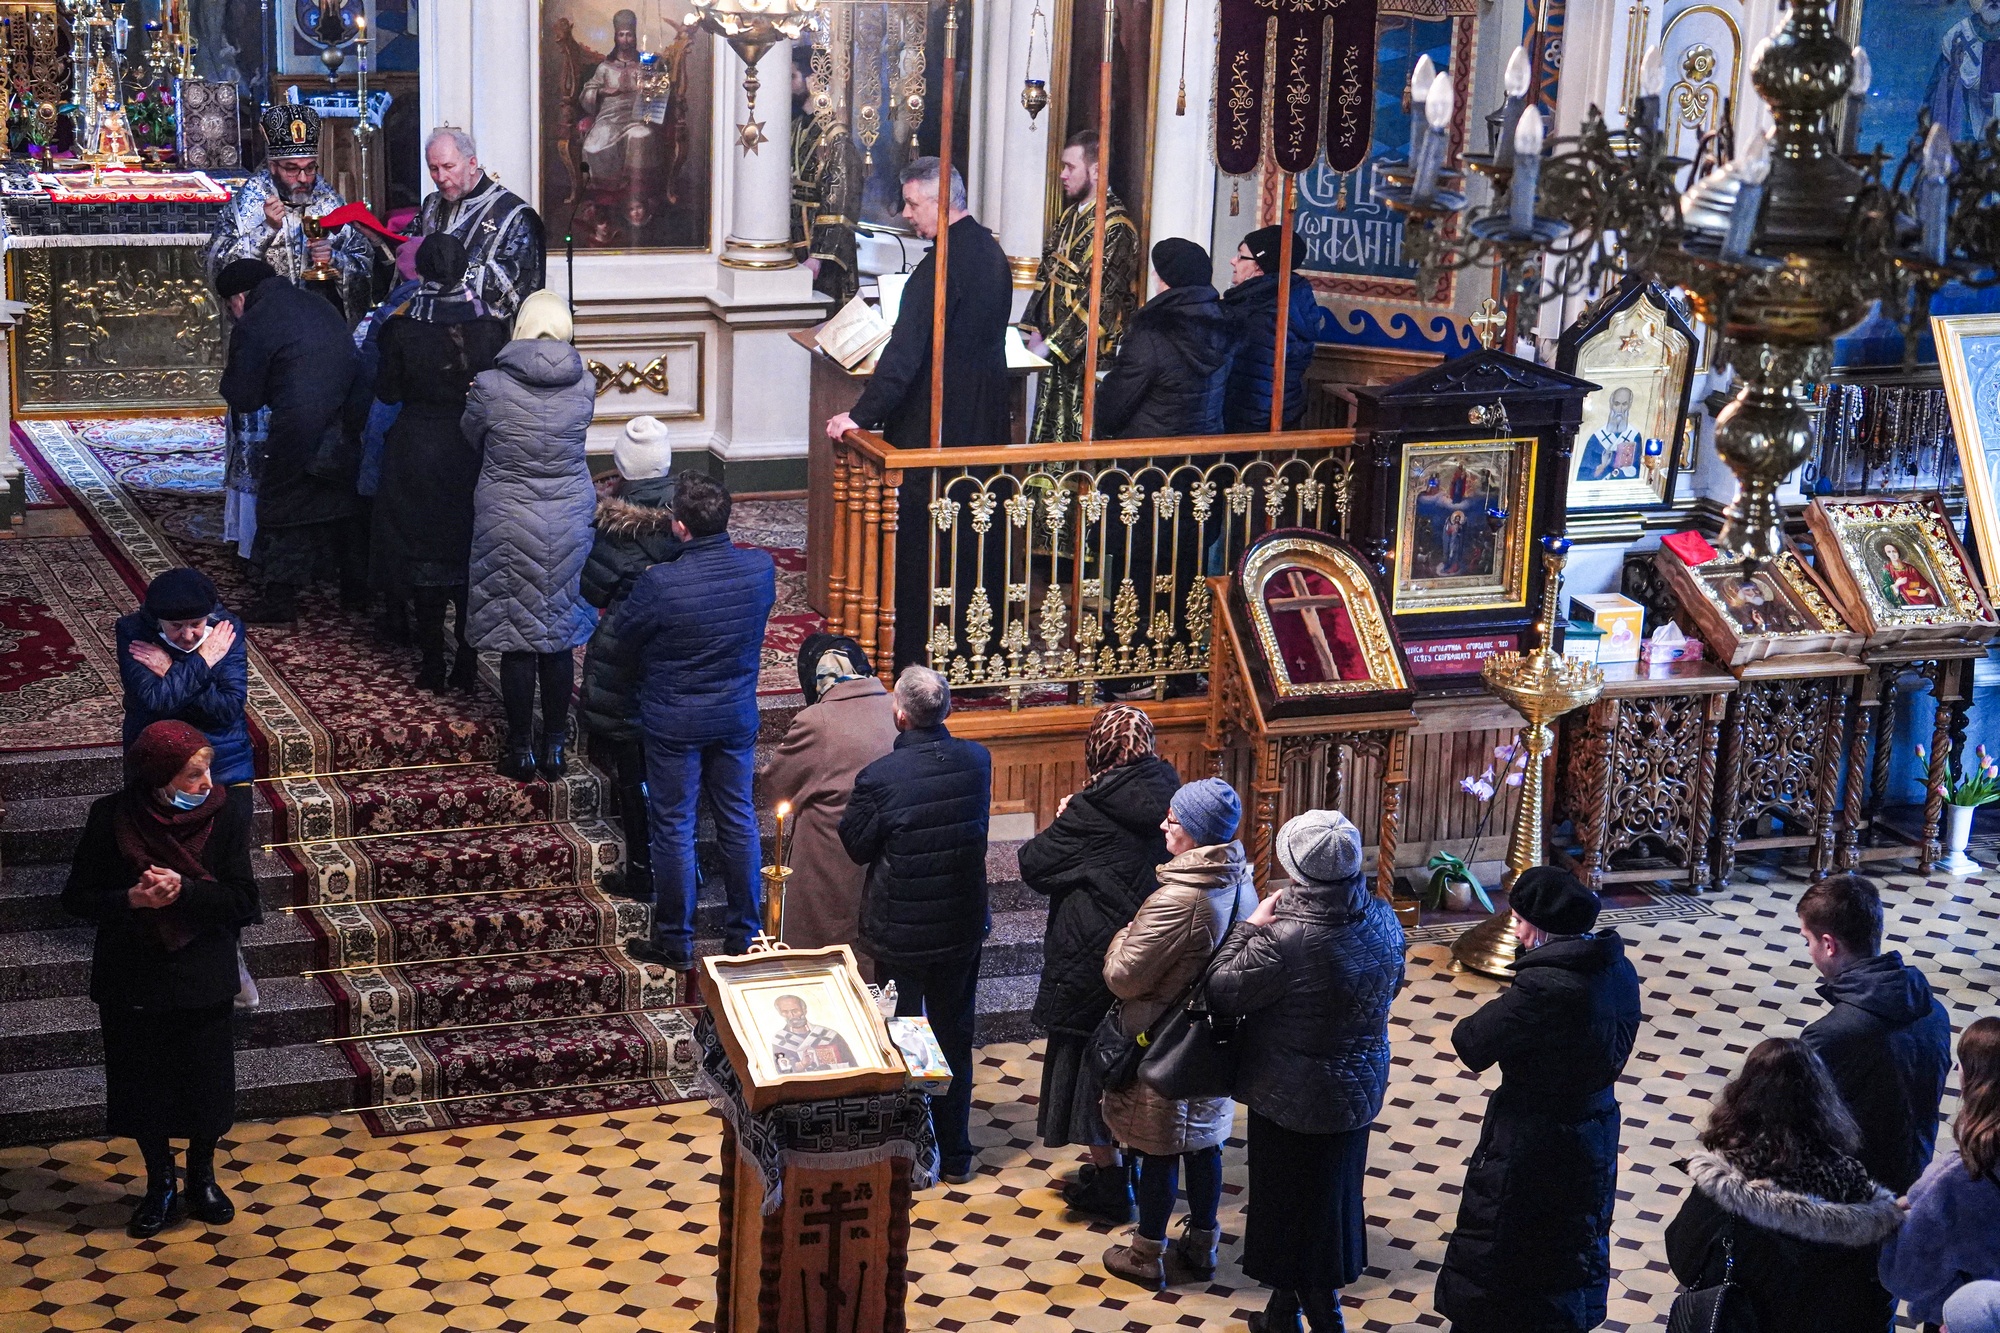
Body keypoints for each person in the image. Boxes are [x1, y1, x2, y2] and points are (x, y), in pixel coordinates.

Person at [1208, 811, 1406, 1332]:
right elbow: (1393, 985)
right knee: (1332, 1201)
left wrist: (1248, 929)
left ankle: (1324, 1316)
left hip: (1289, 1095)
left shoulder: (1286, 938)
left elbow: (1222, 989)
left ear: (1295, 869)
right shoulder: (1384, 917)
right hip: (1358, 1088)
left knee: (1292, 1210)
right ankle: (1282, 1313)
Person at [62, 721, 260, 1239]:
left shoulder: (230, 813)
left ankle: (202, 1177)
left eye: (208, 770)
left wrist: (186, 892)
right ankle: (158, 1184)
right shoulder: (111, 816)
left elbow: (244, 901)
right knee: (143, 1086)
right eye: (194, 774)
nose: (207, 782)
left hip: (201, 971)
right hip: (134, 974)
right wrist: (133, 899)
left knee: (205, 1084)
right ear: (159, 774)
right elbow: (77, 898)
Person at [1433, 867, 1644, 1333]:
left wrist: (1522, 982)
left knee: (1506, 1255)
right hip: (1596, 1128)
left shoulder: (1545, 987)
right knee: (1571, 1246)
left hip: (1533, 1139)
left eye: (1519, 919)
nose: (1516, 929)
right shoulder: (1616, 967)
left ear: (1540, 925)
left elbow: (1471, 1042)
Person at [1014, 704, 1181, 1223]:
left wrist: (1065, 817)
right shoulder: (1174, 796)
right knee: (1133, 1061)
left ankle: (1110, 1179)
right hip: (1150, 949)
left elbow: (1034, 865)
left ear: (1097, 749)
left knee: (1088, 1063)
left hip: (1091, 953)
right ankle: (1130, 1165)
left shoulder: (1090, 807)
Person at [1096, 777, 1257, 1290]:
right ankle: (1203, 1244)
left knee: (1161, 1146)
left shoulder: (1180, 899)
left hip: (1165, 1041)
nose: (1165, 824)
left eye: (1175, 820)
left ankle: (1146, 1255)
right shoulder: (1241, 881)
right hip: (1215, 1037)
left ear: (1198, 836)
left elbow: (1123, 975)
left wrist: (1122, 933)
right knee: (1206, 1144)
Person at [839, 666, 993, 1185]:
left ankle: (912, 1148)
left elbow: (857, 845)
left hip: (901, 929)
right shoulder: (977, 761)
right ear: (946, 710)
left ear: (899, 714)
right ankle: (956, 1153)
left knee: (907, 1031)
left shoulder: (880, 777)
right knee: (955, 1031)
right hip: (960, 923)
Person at [618, 473, 775, 969]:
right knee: (738, 818)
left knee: (674, 827)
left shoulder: (661, 583)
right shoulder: (760, 568)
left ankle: (677, 943)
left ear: (679, 527)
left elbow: (624, 637)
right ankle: (745, 934)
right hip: (733, 714)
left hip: (674, 721)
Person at [1665, 1038, 1905, 1333]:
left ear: (1745, 1095)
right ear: (1823, 1101)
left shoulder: (1729, 1181)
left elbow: (1685, 1260)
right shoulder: (1849, 1178)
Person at [464, 289, 597, 782]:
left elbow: (469, 433)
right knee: (557, 637)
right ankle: (556, 747)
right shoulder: (585, 383)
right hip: (568, 516)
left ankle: (520, 749)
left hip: (507, 515)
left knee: (516, 638)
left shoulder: (490, 385)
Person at [370, 233, 511, 691]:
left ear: (422, 273)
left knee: (423, 553)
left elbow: (386, 391)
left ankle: (432, 661)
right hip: (473, 448)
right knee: (469, 552)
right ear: (465, 267)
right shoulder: (493, 325)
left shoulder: (400, 326)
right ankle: (467, 662)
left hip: (416, 447)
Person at [823, 157, 1011, 450]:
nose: (906, 213)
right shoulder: (991, 251)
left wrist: (860, 416)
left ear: (942, 202)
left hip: (937, 426)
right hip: (986, 422)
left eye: (913, 204)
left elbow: (905, 355)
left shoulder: (939, 268)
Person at [216, 258, 365, 624]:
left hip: (299, 422)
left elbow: (243, 396)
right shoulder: (316, 301)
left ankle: (279, 600)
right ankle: (355, 591)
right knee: (341, 501)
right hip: (351, 416)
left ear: (238, 298)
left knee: (280, 502)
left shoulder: (255, 322)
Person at [1797, 873, 1952, 1193]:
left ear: (1828, 945)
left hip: (1847, 1203)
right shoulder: (1936, 1013)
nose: (1808, 950)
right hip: (1912, 1187)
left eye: (1807, 941)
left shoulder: (1827, 1037)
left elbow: (1798, 1131)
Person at [579, 416, 681, 901]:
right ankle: (686, 869)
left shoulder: (613, 527)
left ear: (622, 468)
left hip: (630, 659)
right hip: (687, 659)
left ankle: (642, 867)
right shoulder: (694, 513)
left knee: (633, 767)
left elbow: (591, 588)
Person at [759, 634, 898, 971]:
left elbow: (776, 788)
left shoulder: (816, 722)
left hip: (832, 862)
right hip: (891, 859)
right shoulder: (896, 707)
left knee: (823, 965)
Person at [1880, 1016, 2000, 1327]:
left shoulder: (1960, 1176)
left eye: (1962, 1063)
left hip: (1964, 1319)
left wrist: (1893, 1222)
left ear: (1975, 1078)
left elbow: (1905, 1277)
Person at [1025, 129, 1139, 444]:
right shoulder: (1068, 216)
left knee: (1076, 443)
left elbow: (1101, 301)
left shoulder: (1116, 229)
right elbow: (1046, 273)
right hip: (1052, 353)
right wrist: (1035, 329)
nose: (1062, 175)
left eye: (1070, 167)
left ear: (1096, 170)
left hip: (1087, 358)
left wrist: (1050, 345)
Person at [117, 569, 252, 793]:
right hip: (158, 763)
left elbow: (228, 709)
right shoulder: (134, 632)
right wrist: (204, 661)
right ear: (159, 621)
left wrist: (170, 669)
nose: (188, 636)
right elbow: (157, 701)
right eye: (176, 626)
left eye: (196, 624)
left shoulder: (226, 631)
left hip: (225, 762)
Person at [1093, 238, 1234, 441]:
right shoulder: (1224, 323)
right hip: (1205, 456)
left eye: (1156, 271)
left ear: (1166, 280)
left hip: (1152, 458)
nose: (1152, 275)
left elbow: (1114, 405)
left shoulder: (1152, 332)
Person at [408, 127, 546, 319]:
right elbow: (405, 259)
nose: (441, 177)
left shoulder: (515, 216)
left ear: (472, 163)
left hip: (485, 333)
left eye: (448, 167)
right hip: (430, 328)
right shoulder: (431, 205)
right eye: (433, 168)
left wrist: (441, 275)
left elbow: (515, 287)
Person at [1222, 225, 1330, 434]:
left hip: (1252, 434)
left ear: (1260, 268)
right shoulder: (1289, 300)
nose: (1233, 261)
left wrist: (1240, 445)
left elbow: (1257, 394)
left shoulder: (1265, 316)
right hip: (1280, 420)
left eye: (1241, 256)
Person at [770, 993, 858, 1073]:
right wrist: (802, 1065)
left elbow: (851, 1065)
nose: (791, 1016)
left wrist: (827, 1068)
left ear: (804, 1010)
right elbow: (784, 1072)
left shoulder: (829, 1035)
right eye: (785, 1012)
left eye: (795, 1011)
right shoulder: (780, 1040)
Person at [1577, 388, 1642, 483]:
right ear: (1611, 404)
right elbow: (1583, 472)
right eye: (1616, 404)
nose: (1620, 409)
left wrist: (1618, 472)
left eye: (1624, 404)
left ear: (1629, 405)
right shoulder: (1597, 437)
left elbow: (1637, 470)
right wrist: (1599, 469)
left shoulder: (1634, 435)